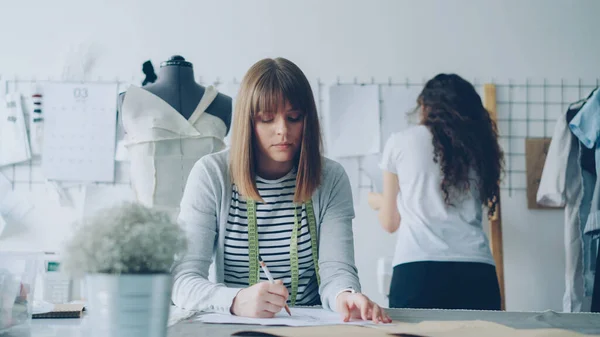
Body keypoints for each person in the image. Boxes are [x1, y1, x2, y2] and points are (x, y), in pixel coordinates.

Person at [171, 57, 391, 323]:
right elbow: (182, 281)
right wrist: (235, 300)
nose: (283, 130)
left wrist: (345, 296)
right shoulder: (211, 175)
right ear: (247, 123)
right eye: (266, 119)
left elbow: (336, 271)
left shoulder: (330, 178)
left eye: (294, 117)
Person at [368, 73, 504, 310]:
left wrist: (378, 201)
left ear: (426, 106)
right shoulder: (479, 146)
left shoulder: (400, 142)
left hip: (418, 270)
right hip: (476, 270)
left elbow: (390, 223)